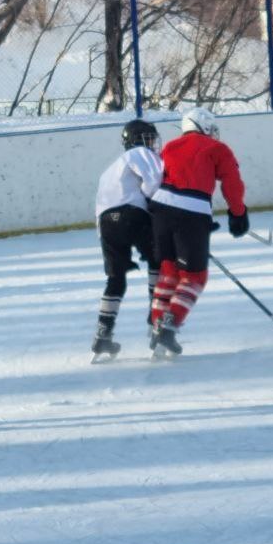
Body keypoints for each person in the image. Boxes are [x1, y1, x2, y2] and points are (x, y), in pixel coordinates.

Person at [146, 107, 249, 358]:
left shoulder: (170, 146)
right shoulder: (218, 149)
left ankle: (159, 327)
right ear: (202, 126)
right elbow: (232, 181)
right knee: (194, 277)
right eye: (211, 127)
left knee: (169, 272)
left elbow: (157, 177)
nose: (213, 133)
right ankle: (169, 327)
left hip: (159, 211)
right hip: (191, 211)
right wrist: (238, 213)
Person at [91, 119, 164, 362]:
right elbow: (154, 184)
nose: (152, 143)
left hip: (106, 223)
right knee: (158, 261)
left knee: (116, 278)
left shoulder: (107, 171)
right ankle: (156, 324)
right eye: (148, 137)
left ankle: (103, 335)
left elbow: (100, 209)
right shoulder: (140, 153)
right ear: (136, 139)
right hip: (132, 214)